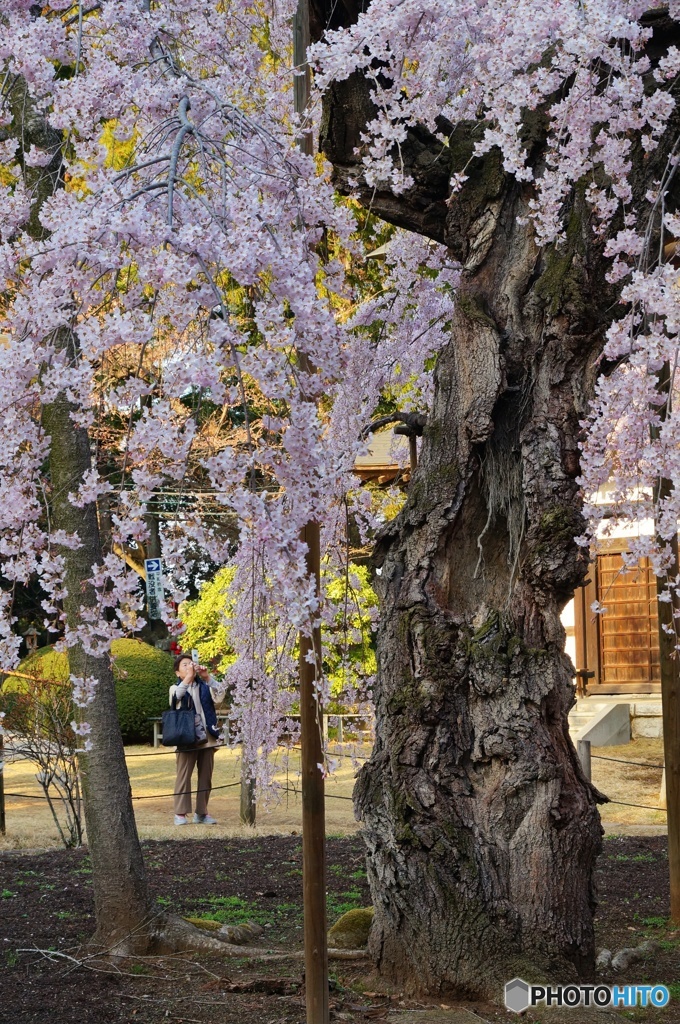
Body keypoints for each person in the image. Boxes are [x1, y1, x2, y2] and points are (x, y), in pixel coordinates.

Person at [170, 654, 226, 825]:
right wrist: (188, 679)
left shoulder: (205, 686)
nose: (189, 667)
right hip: (186, 736)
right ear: (177, 672)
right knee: (183, 775)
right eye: (184, 665)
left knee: (205, 776)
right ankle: (180, 813)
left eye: (190, 664)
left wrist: (207, 677)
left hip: (208, 736)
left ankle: (201, 813)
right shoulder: (175, 687)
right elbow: (176, 698)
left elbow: (220, 695)